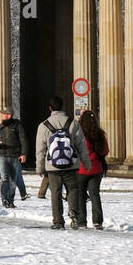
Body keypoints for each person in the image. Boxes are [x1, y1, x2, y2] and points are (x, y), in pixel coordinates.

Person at [36, 95, 92, 229]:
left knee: (55, 193)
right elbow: (81, 145)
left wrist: (40, 167)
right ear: (62, 107)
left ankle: (58, 221)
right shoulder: (73, 123)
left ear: (50, 108)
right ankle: (73, 213)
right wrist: (87, 163)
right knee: (72, 189)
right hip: (71, 164)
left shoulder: (43, 125)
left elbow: (40, 149)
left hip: (52, 166)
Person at [76, 109, 109, 229]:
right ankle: (97, 221)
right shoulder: (100, 134)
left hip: (81, 170)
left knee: (80, 195)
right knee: (95, 195)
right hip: (96, 169)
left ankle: (81, 222)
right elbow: (106, 151)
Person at [0, 107, 27, 207]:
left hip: (15, 156)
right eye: (2, 114)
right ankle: (4, 199)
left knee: (13, 180)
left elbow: (23, 140)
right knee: (4, 179)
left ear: (9, 115)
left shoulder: (17, 126)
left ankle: (11, 200)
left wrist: (23, 153)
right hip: (3, 156)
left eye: (4, 114)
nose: (3, 116)